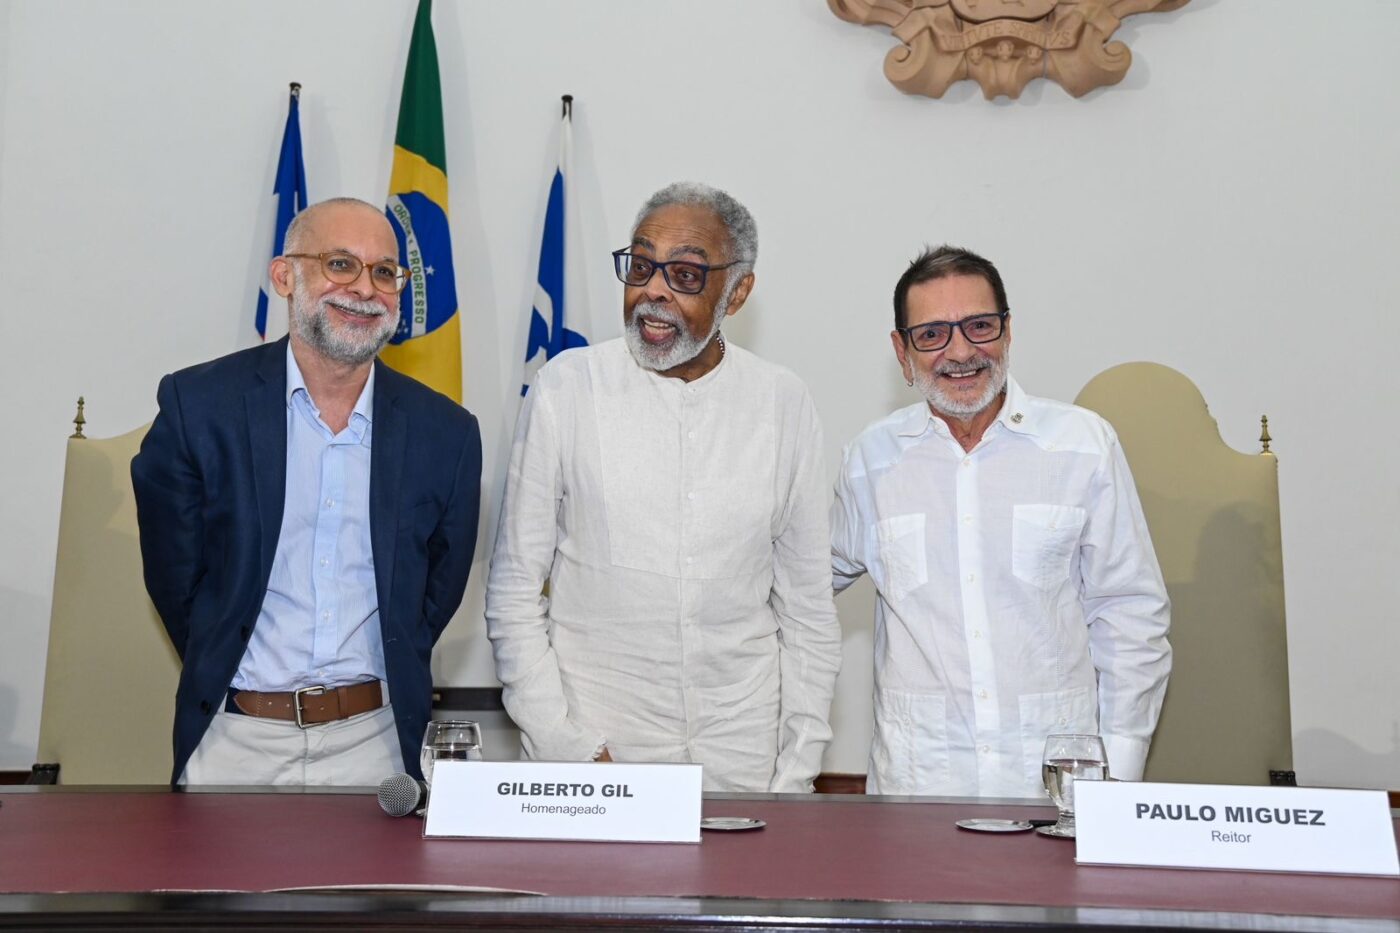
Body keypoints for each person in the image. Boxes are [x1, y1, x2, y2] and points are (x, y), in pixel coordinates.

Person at [487, 182, 842, 792]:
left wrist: (796, 769)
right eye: (643, 265)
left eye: (684, 274)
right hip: (594, 750)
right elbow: (515, 590)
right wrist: (566, 745)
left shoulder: (781, 401)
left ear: (739, 291)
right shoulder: (568, 387)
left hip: (743, 756)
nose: (654, 290)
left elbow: (808, 611)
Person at [132, 197, 482, 786]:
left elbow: (433, 595)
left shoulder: (445, 433)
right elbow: (176, 579)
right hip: (235, 740)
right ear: (284, 275)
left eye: (385, 272)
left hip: (376, 746)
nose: (365, 289)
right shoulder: (200, 407)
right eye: (340, 264)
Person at [830, 245, 1171, 797]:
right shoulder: (871, 462)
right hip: (916, 792)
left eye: (979, 326)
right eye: (932, 333)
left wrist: (1117, 778)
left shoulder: (1083, 446)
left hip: (1056, 790)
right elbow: (804, 581)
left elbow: (1131, 615)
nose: (960, 351)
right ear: (902, 350)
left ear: (1008, 332)